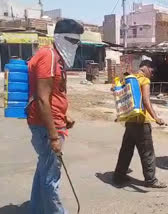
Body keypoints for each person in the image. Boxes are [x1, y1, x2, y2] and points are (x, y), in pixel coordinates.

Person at [27, 19, 84, 214]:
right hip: (47, 126)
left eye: (77, 42)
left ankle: (36, 209)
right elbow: (43, 99)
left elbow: (52, 95)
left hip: (51, 121)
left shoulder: (55, 58)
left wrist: (64, 114)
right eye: (72, 41)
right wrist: (53, 136)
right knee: (51, 177)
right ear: (60, 38)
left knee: (44, 169)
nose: (75, 45)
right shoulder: (49, 57)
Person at [113, 60, 167, 188]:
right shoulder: (144, 80)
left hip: (130, 120)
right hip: (142, 122)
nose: (152, 75)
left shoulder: (128, 79)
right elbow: (146, 101)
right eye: (152, 71)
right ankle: (151, 180)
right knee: (147, 152)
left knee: (126, 150)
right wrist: (156, 118)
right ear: (147, 68)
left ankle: (119, 176)